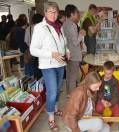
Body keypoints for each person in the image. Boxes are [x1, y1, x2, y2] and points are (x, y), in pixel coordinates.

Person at [30, 2, 70, 131]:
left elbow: (63, 43)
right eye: (50, 12)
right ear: (45, 12)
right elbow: (33, 50)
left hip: (60, 63)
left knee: (58, 89)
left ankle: (56, 108)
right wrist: (51, 54)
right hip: (47, 65)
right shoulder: (39, 27)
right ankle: (51, 118)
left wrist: (67, 51)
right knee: (52, 92)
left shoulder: (59, 26)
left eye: (55, 12)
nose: (53, 14)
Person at [63, 4, 86, 94]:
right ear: (72, 14)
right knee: (73, 76)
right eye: (77, 13)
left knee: (69, 74)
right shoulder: (72, 25)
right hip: (74, 54)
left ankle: (69, 92)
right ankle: (72, 94)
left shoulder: (65, 23)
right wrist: (81, 34)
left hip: (68, 53)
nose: (78, 15)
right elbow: (75, 42)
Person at [24, 13, 43, 78]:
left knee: (35, 66)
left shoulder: (28, 28)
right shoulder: (43, 28)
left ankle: (37, 81)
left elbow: (26, 40)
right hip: (43, 51)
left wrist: (31, 46)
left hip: (33, 51)